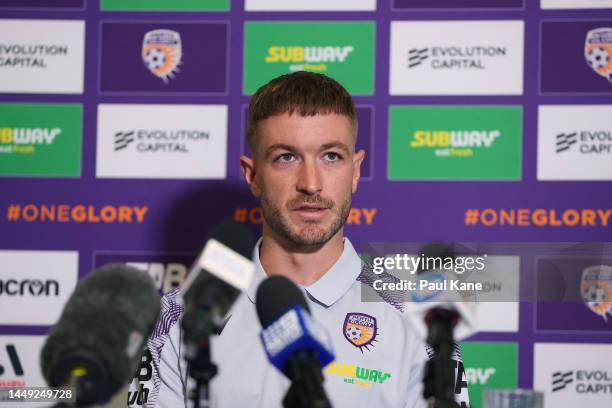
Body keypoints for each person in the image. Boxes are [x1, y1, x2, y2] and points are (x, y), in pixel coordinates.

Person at [128, 71, 470, 408]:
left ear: (356, 170)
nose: (310, 183)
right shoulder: (179, 318)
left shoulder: (417, 319)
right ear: (253, 175)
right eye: (286, 158)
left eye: (331, 156)